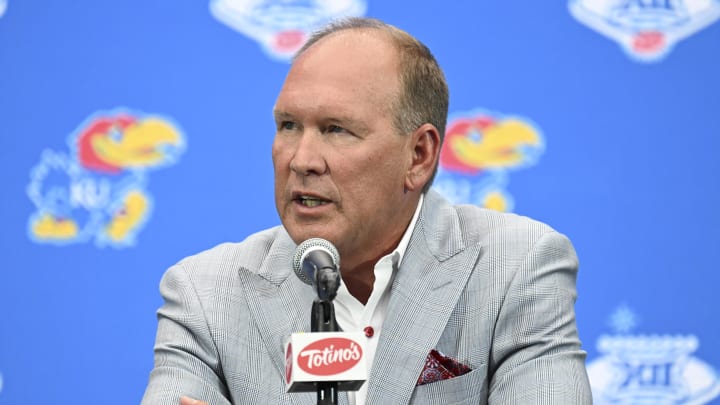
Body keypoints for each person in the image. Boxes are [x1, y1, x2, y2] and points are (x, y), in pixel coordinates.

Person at [142, 17, 592, 405]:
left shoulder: (515, 268)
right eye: (288, 126)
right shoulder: (204, 294)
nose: (301, 160)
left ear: (418, 155)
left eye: (336, 129)